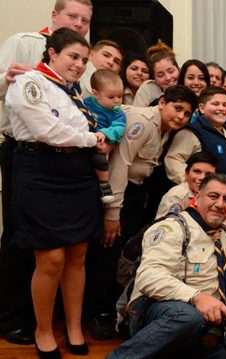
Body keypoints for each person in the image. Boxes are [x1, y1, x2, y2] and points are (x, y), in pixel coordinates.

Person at [4, 27, 102, 357]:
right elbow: (48, 130)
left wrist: (80, 133)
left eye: (84, 60)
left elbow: (77, 127)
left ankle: (74, 327)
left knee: (77, 255)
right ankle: (42, 329)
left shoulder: (75, 94)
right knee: (51, 258)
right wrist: (88, 138)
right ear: (52, 54)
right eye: (73, 56)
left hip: (78, 175)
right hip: (40, 173)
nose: (79, 65)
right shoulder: (29, 82)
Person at [108, 174, 226, 358]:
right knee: (187, 316)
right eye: (213, 196)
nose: (220, 204)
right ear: (197, 196)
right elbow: (148, 277)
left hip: (206, 321)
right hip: (160, 311)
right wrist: (196, 297)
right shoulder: (173, 228)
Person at [99, 85, 198, 338]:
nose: (181, 117)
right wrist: (112, 213)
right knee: (108, 252)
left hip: (133, 194)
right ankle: (99, 314)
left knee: (124, 253)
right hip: (115, 192)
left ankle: (113, 311)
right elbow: (120, 165)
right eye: (177, 109)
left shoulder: (165, 129)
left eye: (187, 114)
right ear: (163, 102)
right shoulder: (143, 122)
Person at [165, 87, 226, 226]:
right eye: (215, 104)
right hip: (203, 212)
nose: (221, 108)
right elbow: (173, 160)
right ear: (202, 108)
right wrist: (194, 185)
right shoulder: (193, 132)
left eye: (225, 105)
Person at [83, 69, 127, 203]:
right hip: (83, 138)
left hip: (102, 141)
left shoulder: (118, 113)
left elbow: (119, 127)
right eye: (111, 97)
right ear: (96, 93)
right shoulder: (86, 102)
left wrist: (105, 133)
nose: (116, 101)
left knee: (100, 158)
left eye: (119, 97)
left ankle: (104, 184)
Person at [155, 151, 218, 217]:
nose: (202, 178)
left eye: (208, 174)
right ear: (186, 174)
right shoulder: (176, 196)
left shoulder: (218, 196)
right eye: (197, 171)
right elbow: (164, 226)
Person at [131, 41, 179, 107]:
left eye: (171, 71)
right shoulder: (148, 88)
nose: (168, 77)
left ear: (178, 69)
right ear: (154, 78)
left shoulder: (187, 85)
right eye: (160, 75)